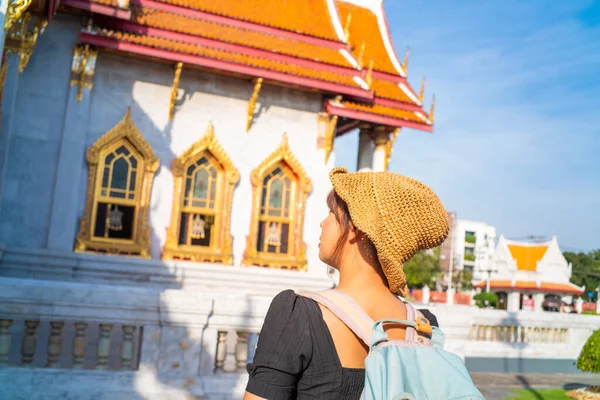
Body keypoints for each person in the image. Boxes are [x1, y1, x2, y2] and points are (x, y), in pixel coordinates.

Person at [244, 167, 450, 399]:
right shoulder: (422, 327)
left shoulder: (299, 314)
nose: (323, 223)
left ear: (355, 228)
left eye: (332, 212)